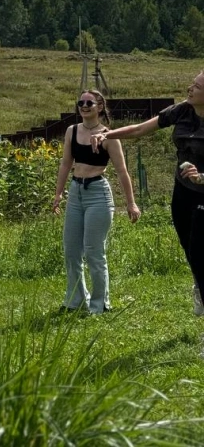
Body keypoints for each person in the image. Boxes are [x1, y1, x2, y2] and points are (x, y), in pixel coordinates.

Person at [93, 71, 204, 316]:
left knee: (198, 249)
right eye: (192, 82)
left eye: (196, 86)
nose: (189, 88)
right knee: (188, 246)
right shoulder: (182, 110)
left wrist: (202, 177)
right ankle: (199, 285)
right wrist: (107, 134)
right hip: (183, 191)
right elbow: (140, 129)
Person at [52, 90, 140, 314]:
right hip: (75, 192)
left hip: (98, 194)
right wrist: (58, 194)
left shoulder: (109, 136)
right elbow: (65, 164)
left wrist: (131, 203)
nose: (84, 106)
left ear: (100, 107)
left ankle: (100, 304)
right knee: (71, 251)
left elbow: (122, 172)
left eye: (89, 103)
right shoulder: (72, 131)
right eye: (81, 102)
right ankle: (75, 301)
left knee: (93, 251)